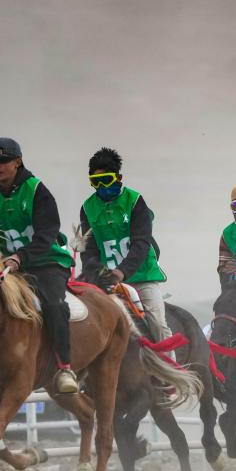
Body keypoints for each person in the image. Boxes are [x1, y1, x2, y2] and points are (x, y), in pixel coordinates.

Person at [0, 138, 78, 395]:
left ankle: (65, 368)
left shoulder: (37, 190)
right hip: (6, 266)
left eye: (2, 160)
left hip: (46, 261)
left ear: (18, 162)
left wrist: (20, 257)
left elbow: (47, 233)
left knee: (54, 305)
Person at [78, 147, 171, 343]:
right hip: (107, 281)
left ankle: (169, 362)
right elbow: (89, 250)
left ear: (119, 177)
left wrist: (122, 272)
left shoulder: (135, 201)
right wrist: (96, 271)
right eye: (96, 181)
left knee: (158, 324)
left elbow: (141, 243)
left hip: (141, 277)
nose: (102, 186)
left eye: (106, 179)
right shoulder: (87, 208)